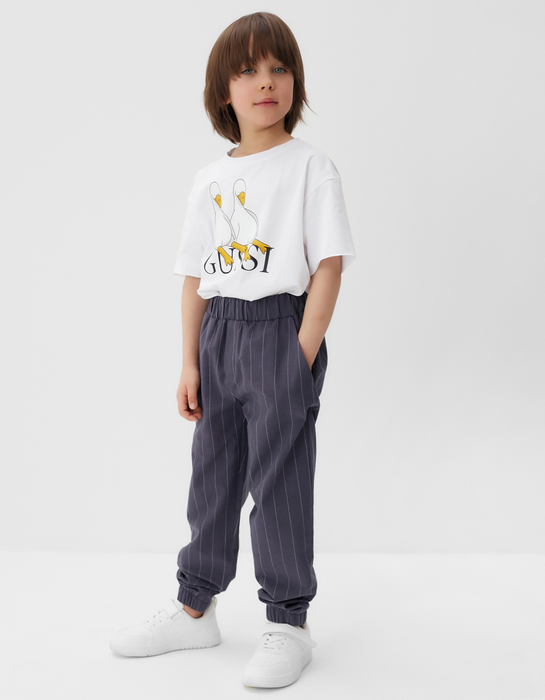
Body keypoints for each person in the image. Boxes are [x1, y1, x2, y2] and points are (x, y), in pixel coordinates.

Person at [109, 11, 356, 689]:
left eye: (279, 68)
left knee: (279, 480)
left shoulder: (310, 167)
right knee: (212, 475)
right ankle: (195, 607)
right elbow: (196, 275)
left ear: (295, 82)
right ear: (224, 90)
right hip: (220, 333)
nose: (265, 82)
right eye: (248, 71)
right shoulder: (210, 178)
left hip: (281, 330)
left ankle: (288, 623)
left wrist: (299, 354)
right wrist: (189, 359)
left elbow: (329, 264)